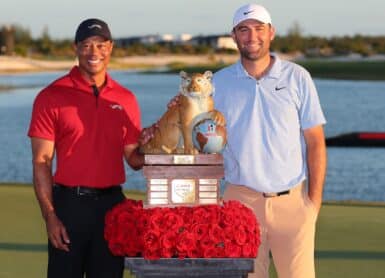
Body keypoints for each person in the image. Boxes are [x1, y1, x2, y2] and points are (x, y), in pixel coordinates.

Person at [211, 4, 327, 278]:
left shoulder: (298, 77)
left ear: (271, 32)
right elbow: (204, 144)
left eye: (259, 29)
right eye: (244, 30)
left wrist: (314, 202)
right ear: (234, 36)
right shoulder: (218, 83)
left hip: (292, 203)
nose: (252, 36)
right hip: (240, 202)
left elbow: (315, 142)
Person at [28, 18, 144, 278]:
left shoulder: (126, 99)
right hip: (70, 206)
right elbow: (41, 161)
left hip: (113, 208)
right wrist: (50, 216)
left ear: (111, 47)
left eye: (101, 45)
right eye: (87, 45)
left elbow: (134, 160)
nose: (94, 52)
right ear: (76, 48)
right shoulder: (51, 96)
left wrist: (154, 142)